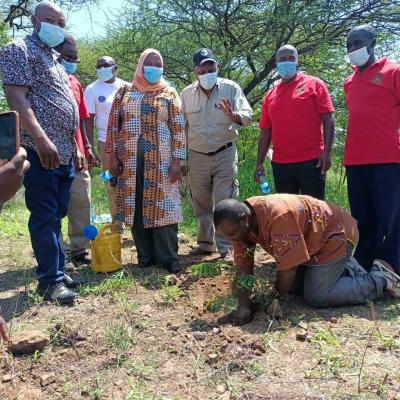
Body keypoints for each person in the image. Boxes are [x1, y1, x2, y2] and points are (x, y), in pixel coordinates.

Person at [0, 1, 81, 304]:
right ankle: (50, 282)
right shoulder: (18, 49)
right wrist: (42, 138)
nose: (56, 27)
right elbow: (16, 96)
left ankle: (57, 268)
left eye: (61, 22)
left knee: (58, 212)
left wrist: (72, 147)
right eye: (50, 20)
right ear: (35, 20)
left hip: (63, 150)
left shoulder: (53, 57)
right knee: (45, 214)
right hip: (40, 148)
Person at [213, 195, 400, 325]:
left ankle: (381, 280)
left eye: (232, 234)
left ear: (244, 218)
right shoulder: (240, 226)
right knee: (293, 287)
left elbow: (288, 268)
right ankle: (347, 270)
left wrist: (272, 299)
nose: (232, 240)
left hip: (335, 234)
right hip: (313, 242)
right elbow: (243, 269)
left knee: (317, 296)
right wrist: (244, 306)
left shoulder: (277, 215)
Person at [106, 49, 186, 273]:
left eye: (158, 63)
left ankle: (168, 257)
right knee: (136, 205)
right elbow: (114, 126)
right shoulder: (125, 91)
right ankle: (146, 256)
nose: (153, 67)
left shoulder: (169, 93)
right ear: (141, 65)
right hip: (130, 162)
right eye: (149, 63)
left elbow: (179, 128)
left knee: (165, 206)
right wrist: (112, 156)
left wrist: (178, 161)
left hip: (162, 161)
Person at [181, 48, 253, 263]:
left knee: (225, 201)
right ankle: (205, 244)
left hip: (225, 153)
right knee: (200, 201)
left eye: (210, 67)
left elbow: (248, 116)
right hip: (197, 155)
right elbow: (181, 128)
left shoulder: (231, 88)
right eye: (202, 68)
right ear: (195, 70)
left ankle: (227, 247)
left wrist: (233, 116)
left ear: (217, 67)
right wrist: (182, 158)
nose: (207, 72)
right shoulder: (186, 94)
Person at [344, 25, 400, 273]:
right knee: (363, 218)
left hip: (387, 157)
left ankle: (392, 268)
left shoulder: (393, 72)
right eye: (348, 45)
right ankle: (365, 262)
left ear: (372, 43)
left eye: (357, 43)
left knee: (392, 217)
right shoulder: (349, 81)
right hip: (355, 159)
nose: (352, 49)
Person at [255, 45, 335, 200]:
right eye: (282, 59)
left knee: (314, 212)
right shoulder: (270, 94)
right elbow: (265, 132)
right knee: (288, 214)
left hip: (312, 162)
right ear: (276, 63)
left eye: (291, 58)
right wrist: (259, 163)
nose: (287, 62)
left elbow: (328, 119)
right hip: (281, 164)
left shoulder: (315, 84)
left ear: (297, 61)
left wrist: (327, 152)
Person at [56, 33, 94, 264]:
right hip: (54, 152)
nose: (71, 61)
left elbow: (82, 118)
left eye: (74, 58)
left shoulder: (76, 82)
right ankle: (58, 251)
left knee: (81, 200)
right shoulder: (45, 81)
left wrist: (88, 146)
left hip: (78, 154)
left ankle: (79, 248)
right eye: (67, 57)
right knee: (56, 204)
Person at [84, 56, 129, 222]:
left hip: (127, 141)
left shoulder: (127, 87)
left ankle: (132, 220)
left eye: (105, 65)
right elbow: (88, 120)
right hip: (105, 143)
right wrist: (90, 146)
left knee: (131, 180)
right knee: (111, 182)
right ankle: (117, 222)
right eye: (99, 66)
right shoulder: (92, 89)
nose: (102, 68)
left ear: (114, 67)